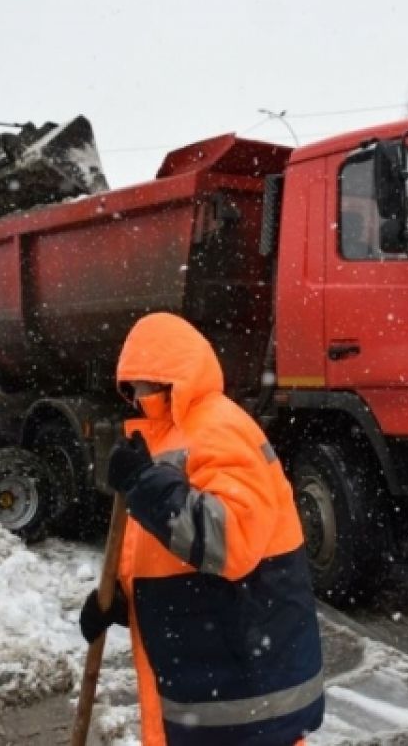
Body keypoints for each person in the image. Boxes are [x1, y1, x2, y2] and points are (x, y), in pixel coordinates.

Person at [80, 312, 324, 745]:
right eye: (130, 385)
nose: (134, 395)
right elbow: (169, 550)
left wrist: (143, 483)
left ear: (166, 378)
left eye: (140, 383)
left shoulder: (218, 430)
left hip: (241, 690)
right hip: (212, 679)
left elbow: (231, 542)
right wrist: (121, 598)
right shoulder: (167, 437)